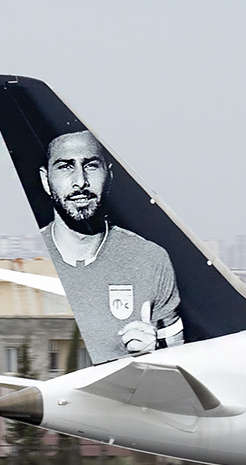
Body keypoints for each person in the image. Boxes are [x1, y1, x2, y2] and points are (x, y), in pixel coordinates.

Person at [38, 130, 183, 363]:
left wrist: (157, 351)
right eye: (65, 167)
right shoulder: (32, 259)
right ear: (46, 180)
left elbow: (183, 358)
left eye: (91, 165)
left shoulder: (151, 259)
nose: (80, 181)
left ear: (109, 175)